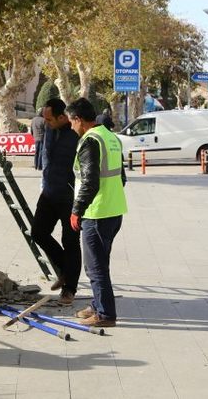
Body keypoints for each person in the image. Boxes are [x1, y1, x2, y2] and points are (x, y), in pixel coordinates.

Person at [66, 98, 128, 328]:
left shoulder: (90, 141)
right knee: (101, 262)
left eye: (72, 122)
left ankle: (105, 314)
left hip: (97, 212)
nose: (71, 127)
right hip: (114, 210)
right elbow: (121, 177)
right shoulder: (110, 137)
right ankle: (97, 304)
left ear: (79, 120)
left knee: (95, 267)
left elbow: (90, 181)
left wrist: (76, 210)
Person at [31, 98, 80, 305]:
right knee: (38, 233)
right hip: (49, 192)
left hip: (70, 197)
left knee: (70, 242)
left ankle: (69, 289)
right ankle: (65, 271)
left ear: (62, 117)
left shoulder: (77, 135)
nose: (46, 123)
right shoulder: (50, 129)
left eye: (50, 119)